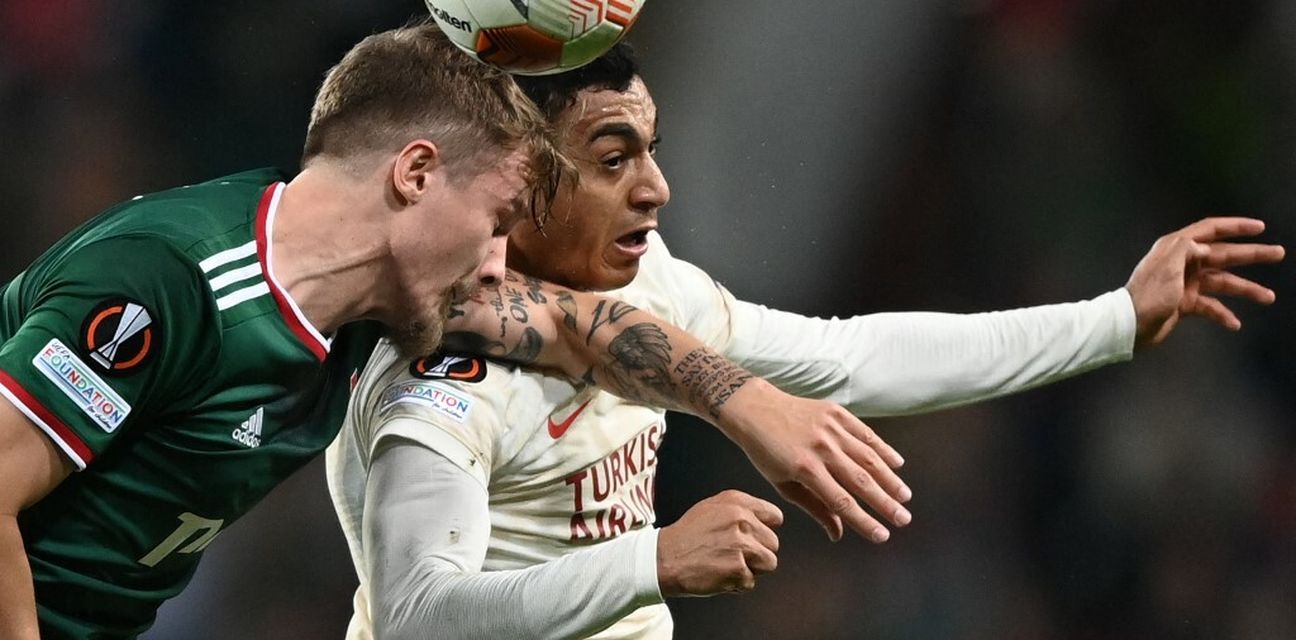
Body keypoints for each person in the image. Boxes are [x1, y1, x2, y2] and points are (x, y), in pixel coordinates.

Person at [326, 43, 1285, 639]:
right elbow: (417, 617)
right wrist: (652, 562)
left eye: (651, 152)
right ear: (521, 184)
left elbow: (850, 357)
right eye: (614, 160)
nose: (656, 188)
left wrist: (1113, 319)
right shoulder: (439, 378)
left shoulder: (655, 290)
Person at [0, 26, 912, 640]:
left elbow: (583, 326)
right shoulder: (172, 282)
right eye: (498, 220)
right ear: (416, 174)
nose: (499, 263)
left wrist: (745, 403)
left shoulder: (366, 304)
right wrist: (656, 558)